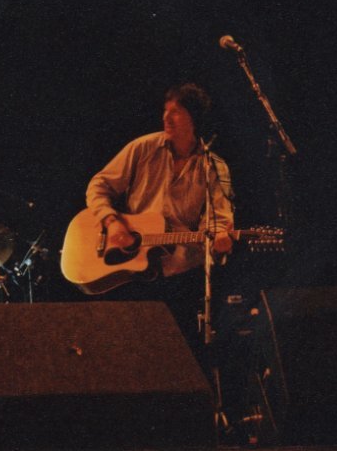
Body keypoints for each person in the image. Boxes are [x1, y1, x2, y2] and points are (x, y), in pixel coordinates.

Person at [85, 83, 234, 346]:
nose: (166, 117)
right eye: (165, 110)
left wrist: (220, 239)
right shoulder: (143, 148)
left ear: (193, 118)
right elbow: (99, 185)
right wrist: (112, 221)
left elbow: (219, 220)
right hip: (131, 269)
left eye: (175, 112)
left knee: (176, 349)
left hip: (180, 275)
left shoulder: (214, 166)